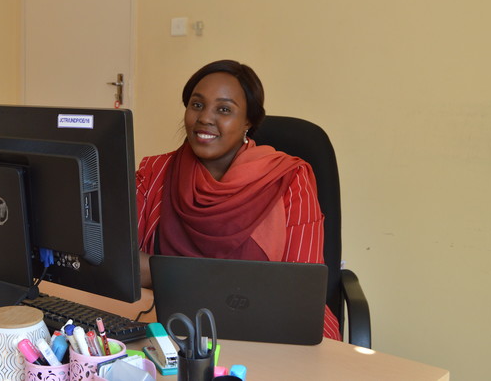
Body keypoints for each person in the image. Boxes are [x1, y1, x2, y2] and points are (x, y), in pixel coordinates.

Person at [136, 59, 342, 340]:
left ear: (249, 121)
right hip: (172, 329)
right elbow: (123, 266)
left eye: (224, 109)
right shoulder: (154, 172)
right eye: (196, 105)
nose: (205, 118)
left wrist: (163, 272)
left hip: (271, 331)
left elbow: (299, 291)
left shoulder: (288, 179)